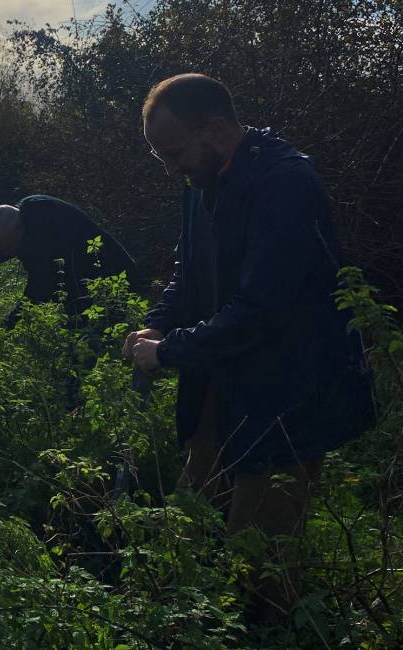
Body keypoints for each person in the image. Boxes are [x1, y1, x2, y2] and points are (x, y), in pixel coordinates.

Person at [124, 73, 375, 615]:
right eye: (161, 158)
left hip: (286, 392)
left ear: (214, 128)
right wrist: (159, 325)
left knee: (260, 555)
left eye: (175, 153)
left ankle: (273, 628)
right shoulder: (202, 181)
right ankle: (203, 616)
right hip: (223, 375)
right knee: (201, 508)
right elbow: (186, 272)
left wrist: (168, 353)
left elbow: (265, 308)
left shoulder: (284, 182)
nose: (171, 169)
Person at [0, 196, 138, 327]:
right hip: (85, 280)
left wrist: (9, 325)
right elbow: (15, 240)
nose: (8, 252)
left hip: (111, 278)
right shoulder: (25, 211)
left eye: (7, 247)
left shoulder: (47, 235)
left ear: (19, 229)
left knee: (95, 334)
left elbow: (38, 289)